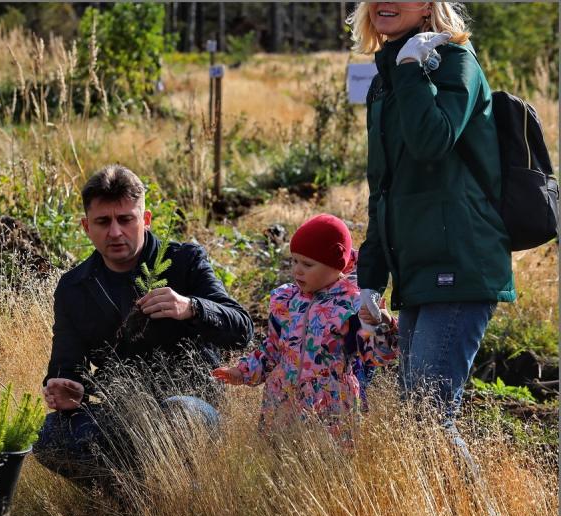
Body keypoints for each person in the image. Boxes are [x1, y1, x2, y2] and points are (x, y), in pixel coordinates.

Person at [348, 3, 515, 444]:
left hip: (461, 260)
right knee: (416, 417)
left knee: (428, 419)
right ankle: (447, 514)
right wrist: (371, 278)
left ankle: (483, 515)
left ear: (427, 5)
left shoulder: (456, 62)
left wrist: (409, 70)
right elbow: (382, 188)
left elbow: (431, 142)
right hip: (416, 265)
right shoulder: (387, 79)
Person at [34, 164, 253, 490]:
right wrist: (69, 387)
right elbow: (66, 359)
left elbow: (242, 329)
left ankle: (178, 498)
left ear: (145, 220)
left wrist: (191, 307)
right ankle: (129, 501)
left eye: (126, 219)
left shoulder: (184, 261)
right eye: (103, 222)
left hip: (193, 408)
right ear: (86, 227)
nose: (115, 232)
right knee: (50, 435)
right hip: (122, 415)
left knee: (178, 413)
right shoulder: (74, 287)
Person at [212, 214, 399, 443]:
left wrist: (384, 323)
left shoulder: (352, 305)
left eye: (308, 264)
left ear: (335, 263)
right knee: (279, 465)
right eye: (294, 261)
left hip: (331, 405)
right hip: (281, 402)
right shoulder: (287, 300)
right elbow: (272, 350)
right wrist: (242, 372)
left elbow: (379, 357)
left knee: (325, 467)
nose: (298, 270)